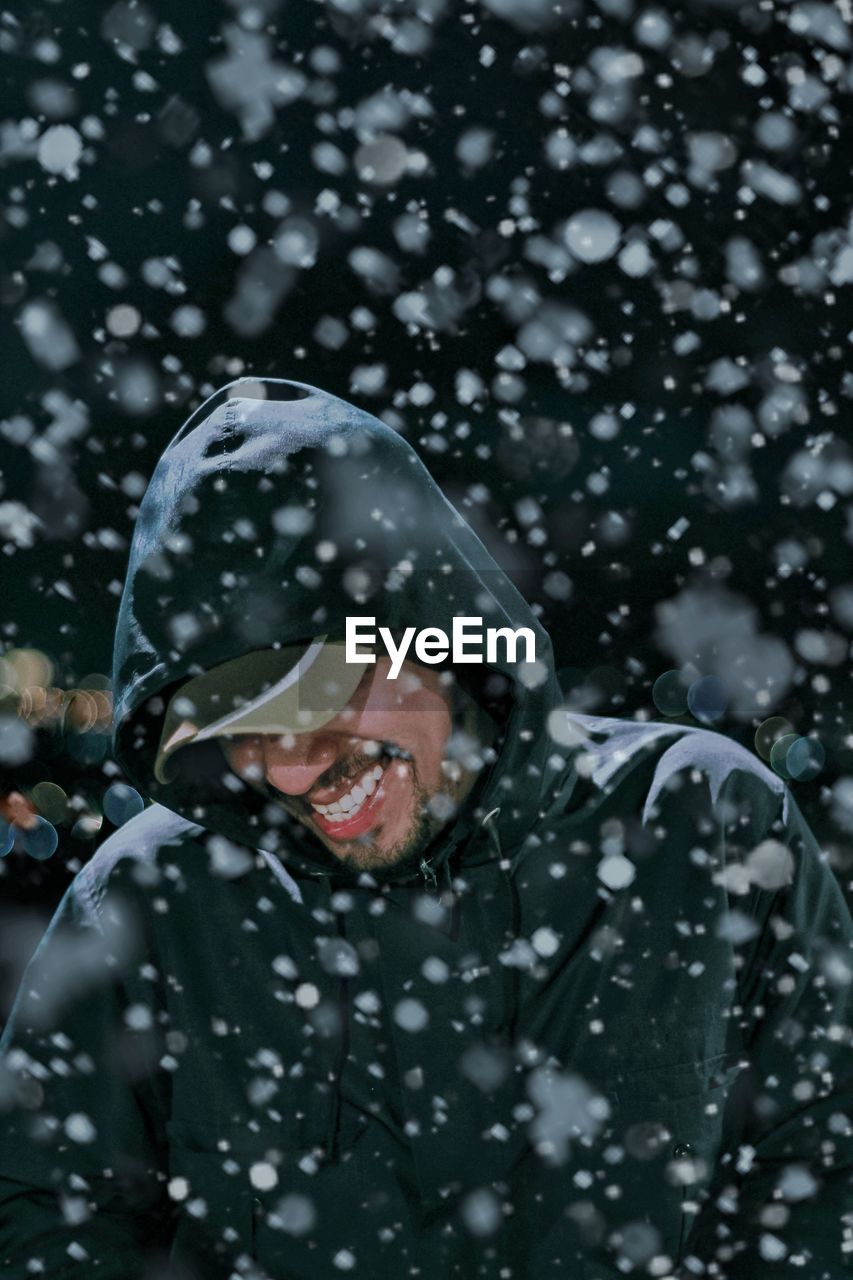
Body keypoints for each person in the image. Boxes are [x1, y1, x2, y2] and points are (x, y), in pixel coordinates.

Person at [0, 378, 851, 1280]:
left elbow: (824, 1168)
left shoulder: (699, 823)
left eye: (323, 701)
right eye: (241, 738)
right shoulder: (158, 896)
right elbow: (47, 1214)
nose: (292, 771)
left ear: (438, 632)